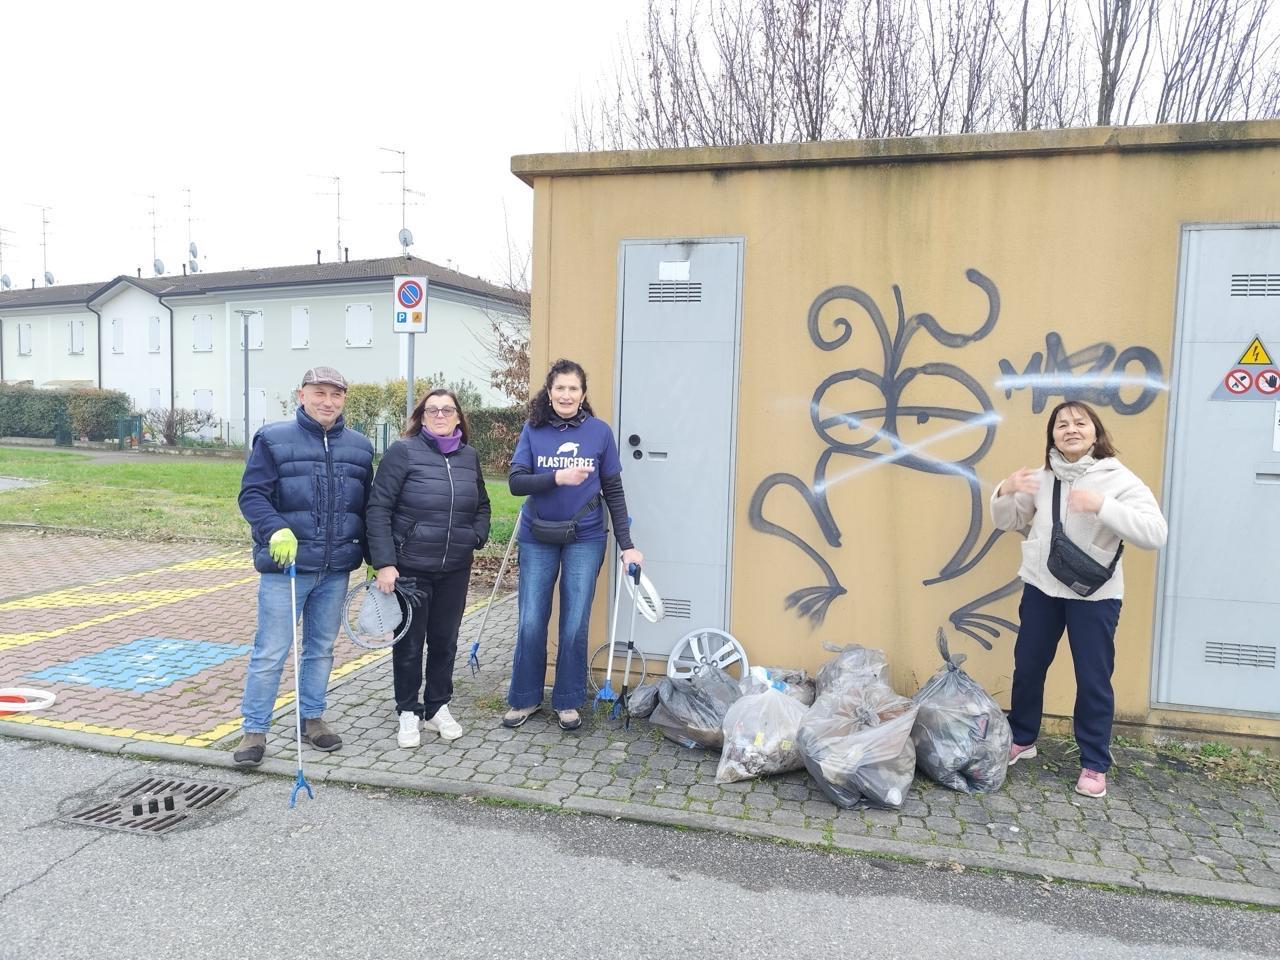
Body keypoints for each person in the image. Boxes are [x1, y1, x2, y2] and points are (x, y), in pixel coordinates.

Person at [990, 400, 1167, 798]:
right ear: (1051, 435)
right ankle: (1022, 738)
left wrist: (1104, 506)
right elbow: (1008, 521)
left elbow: (1155, 533)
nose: (1070, 429)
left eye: (1080, 423)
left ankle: (1093, 763)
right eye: (1061, 425)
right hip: (1041, 588)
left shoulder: (1119, 479)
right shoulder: (1042, 476)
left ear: (1095, 431)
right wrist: (1005, 490)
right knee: (1028, 667)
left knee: (1092, 679)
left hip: (1095, 596)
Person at [232, 366, 374, 767]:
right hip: (286, 568)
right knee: (271, 650)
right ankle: (255, 730)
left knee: (321, 649)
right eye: (319, 393)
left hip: (336, 568)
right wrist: (274, 527)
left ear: (345, 398)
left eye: (336, 394)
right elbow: (252, 495)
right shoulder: (273, 439)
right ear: (302, 395)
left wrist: (375, 558)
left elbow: (366, 508)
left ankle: (311, 719)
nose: (328, 402)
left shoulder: (361, 447)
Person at [503, 358, 643, 731]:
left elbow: (613, 489)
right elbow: (516, 483)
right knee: (531, 620)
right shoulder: (533, 431)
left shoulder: (599, 432)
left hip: (586, 537)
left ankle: (567, 701)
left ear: (583, 395)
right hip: (537, 536)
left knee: (574, 622)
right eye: (559, 388)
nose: (566, 394)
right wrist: (557, 477)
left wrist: (627, 545)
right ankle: (525, 697)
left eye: (573, 388)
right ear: (549, 393)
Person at [365, 388, 491, 747]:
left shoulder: (469, 457)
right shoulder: (402, 453)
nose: (439, 415)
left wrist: (475, 536)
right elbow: (378, 510)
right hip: (410, 569)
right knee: (409, 644)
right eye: (432, 410)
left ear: (457, 418)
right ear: (421, 417)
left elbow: (482, 504)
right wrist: (385, 563)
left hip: (455, 567)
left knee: (445, 641)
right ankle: (408, 711)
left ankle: (437, 706)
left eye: (447, 410)